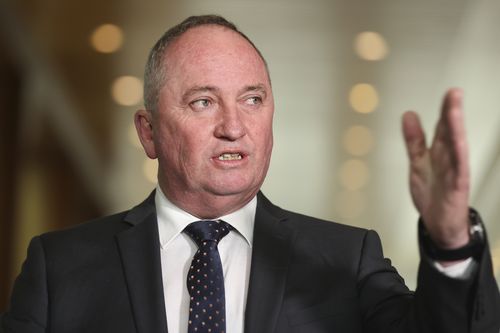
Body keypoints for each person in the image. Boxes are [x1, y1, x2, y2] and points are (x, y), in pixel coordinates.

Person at [1, 14, 499, 333]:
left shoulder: (346, 260)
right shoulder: (60, 268)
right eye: (203, 102)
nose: (234, 127)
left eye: (253, 100)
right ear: (148, 133)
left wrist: (451, 238)